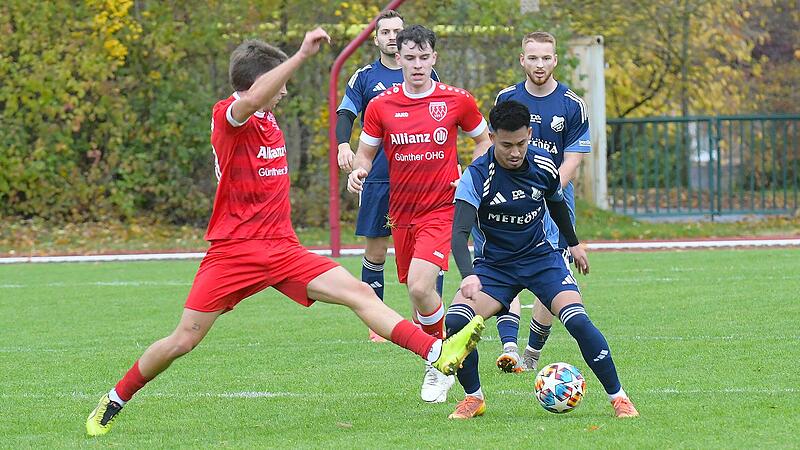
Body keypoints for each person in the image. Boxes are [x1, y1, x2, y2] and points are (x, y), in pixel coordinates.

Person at [85, 28, 485, 437]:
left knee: (360, 294)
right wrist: (299, 55)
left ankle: (437, 352)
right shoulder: (229, 117)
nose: (286, 93)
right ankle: (115, 397)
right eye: (281, 83)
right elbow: (252, 98)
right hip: (234, 253)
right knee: (182, 341)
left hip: (283, 250)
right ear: (260, 83)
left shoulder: (270, 121)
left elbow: (265, 102)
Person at [445, 100, 638, 419]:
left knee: (577, 319)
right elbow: (458, 232)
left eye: (521, 143)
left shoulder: (543, 164)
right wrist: (468, 274)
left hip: (540, 260)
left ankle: (618, 398)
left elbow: (558, 204)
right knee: (455, 322)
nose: (515, 152)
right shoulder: (477, 176)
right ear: (492, 138)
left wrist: (574, 244)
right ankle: (473, 398)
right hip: (495, 269)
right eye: (506, 144)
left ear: (530, 135)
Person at [347, 25, 492, 404]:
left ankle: (439, 359)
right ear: (398, 59)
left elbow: (483, 142)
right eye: (408, 57)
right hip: (402, 214)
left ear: (434, 59)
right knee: (417, 298)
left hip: (442, 209)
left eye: (423, 57)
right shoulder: (381, 106)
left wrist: (472, 179)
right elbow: (365, 153)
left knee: (419, 287)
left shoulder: (456, 100)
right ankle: (445, 352)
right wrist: (359, 171)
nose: (416, 65)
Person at [335, 10, 442, 343]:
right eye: (386, 31)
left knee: (425, 256)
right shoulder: (365, 77)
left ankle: (425, 320)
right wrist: (343, 145)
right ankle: (378, 324)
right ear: (377, 38)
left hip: (421, 180)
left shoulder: (426, 72)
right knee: (377, 252)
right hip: (380, 179)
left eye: (398, 30)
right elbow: (346, 113)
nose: (392, 36)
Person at [491, 31, 592, 374]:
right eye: (532, 58)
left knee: (550, 278)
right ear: (522, 60)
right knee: (507, 267)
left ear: (555, 60)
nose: (539, 64)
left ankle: (532, 352)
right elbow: (496, 147)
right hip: (508, 200)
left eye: (546, 58)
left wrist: (544, 190)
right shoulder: (506, 98)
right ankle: (508, 347)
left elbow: (573, 161)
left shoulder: (571, 104)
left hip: (554, 201)